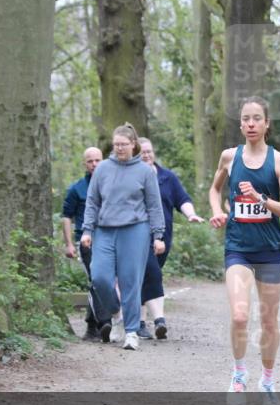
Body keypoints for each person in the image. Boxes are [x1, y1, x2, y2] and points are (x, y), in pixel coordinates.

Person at [209, 96, 280, 405]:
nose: (250, 124)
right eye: (245, 118)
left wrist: (262, 199)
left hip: (270, 251)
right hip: (238, 250)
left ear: (266, 123)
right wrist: (217, 211)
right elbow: (214, 189)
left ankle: (268, 383)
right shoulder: (230, 158)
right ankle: (238, 375)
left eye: (256, 118)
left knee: (269, 321)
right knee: (240, 315)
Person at [81, 124, 166, 351]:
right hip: (105, 230)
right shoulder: (103, 169)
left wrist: (158, 235)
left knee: (130, 282)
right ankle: (116, 313)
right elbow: (92, 201)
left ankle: (131, 332)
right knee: (99, 277)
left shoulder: (145, 171)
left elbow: (154, 206)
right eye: (116, 144)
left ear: (133, 145)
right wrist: (87, 230)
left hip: (135, 229)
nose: (119, 148)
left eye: (123, 144)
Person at [137, 137, 204, 340]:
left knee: (149, 276)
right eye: (142, 153)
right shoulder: (134, 178)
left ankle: (141, 323)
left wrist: (190, 214)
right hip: (140, 236)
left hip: (163, 238)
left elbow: (182, 199)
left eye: (149, 151)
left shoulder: (167, 177)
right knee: (150, 274)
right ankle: (154, 321)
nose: (147, 155)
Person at [61, 147, 103, 339]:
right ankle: (95, 325)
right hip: (85, 242)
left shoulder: (110, 185)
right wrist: (69, 244)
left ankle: (102, 323)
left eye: (97, 160)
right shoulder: (76, 188)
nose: (94, 164)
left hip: (109, 240)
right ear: (84, 164)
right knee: (95, 280)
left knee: (106, 281)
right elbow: (66, 217)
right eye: (90, 161)